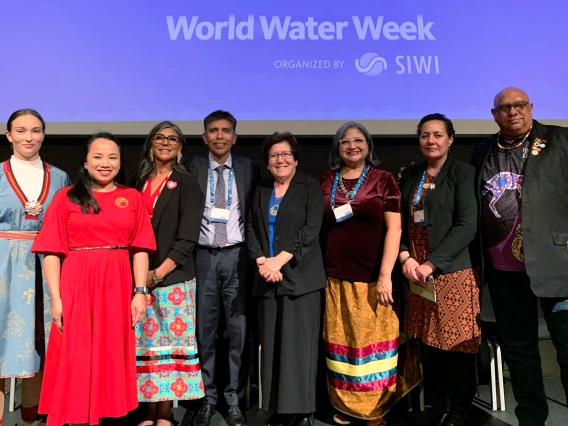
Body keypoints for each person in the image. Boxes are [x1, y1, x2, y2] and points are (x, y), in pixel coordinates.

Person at [31, 133, 156, 426]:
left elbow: (140, 248)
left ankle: (99, 419)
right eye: (98, 156)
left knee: (109, 355)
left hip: (117, 286)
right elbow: (51, 252)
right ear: (85, 162)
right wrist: (56, 300)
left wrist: (139, 292)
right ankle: (77, 419)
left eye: (112, 157)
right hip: (76, 285)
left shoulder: (132, 197)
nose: (105, 163)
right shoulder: (66, 197)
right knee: (77, 355)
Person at [471, 87, 568, 426]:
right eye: (505, 108)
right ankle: (531, 420)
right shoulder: (483, 149)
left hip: (557, 267)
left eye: (520, 105)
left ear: (531, 108)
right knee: (521, 353)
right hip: (503, 270)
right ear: (494, 114)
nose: (513, 112)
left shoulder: (560, 141)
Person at [321, 122, 410, 424]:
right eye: (345, 142)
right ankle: (346, 406)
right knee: (343, 343)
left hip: (374, 277)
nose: (352, 146)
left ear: (368, 146)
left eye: (358, 141)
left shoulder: (383, 180)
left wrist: (386, 274)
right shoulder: (326, 180)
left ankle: (375, 410)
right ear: (337, 148)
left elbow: (395, 228)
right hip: (335, 277)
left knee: (375, 347)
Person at [399, 113, 481, 426]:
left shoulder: (463, 173)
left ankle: (458, 407)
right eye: (424, 135)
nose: (431, 141)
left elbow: (466, 225)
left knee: (455, 344)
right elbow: (403, 223)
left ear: (450, 139)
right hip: (417, 275)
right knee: (427, 340)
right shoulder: (412, 175)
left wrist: (432, 263)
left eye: (437, 135)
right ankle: (438, 401)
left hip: (452, 273)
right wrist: (406, 257)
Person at [247, 132, 326, 426]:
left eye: (285, 154)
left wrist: (280, 259)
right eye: (273, 156)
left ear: (295, 158)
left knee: (299, 347)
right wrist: (262, 262)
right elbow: (251, 230)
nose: (280, 160)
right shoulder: (261, 189)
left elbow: (311, 229)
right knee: (272, 347)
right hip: (266, 278)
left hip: (300, 280)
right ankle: (276, 408)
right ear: (267, 163)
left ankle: (302, 410)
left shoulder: (310, 187)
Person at [0, 109, 70, 426]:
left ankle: (31, 416)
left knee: (39, 340)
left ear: (43, 134)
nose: (29, 137)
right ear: (9, 135)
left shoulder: (59, 178)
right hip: (3, 267)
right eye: (21, 131)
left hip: (45, 266)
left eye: (36, 131)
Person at [191, 111, 260, 426]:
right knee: (204, 332)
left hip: (238, 257)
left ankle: (234, 400)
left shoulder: (250, 169)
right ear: (204, 137)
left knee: (238, 332)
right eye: (213, 131)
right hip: (203, 257)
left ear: (235, 136)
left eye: (226, 131)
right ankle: (207, 398)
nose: (219, 136)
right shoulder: (192, 168)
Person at [134, 122, 205, 426]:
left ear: (180, 147)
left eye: (172, 139)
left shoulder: (187, 183)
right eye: (159, 138)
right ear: (150, 143)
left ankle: (164, 412)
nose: (165, 143)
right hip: (136, 278)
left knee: (167, 348)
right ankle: (147, 410)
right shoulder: (137, 181)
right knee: (145, 346)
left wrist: (157, 275)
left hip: (172, 279)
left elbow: (188, 239)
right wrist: (140, 277)